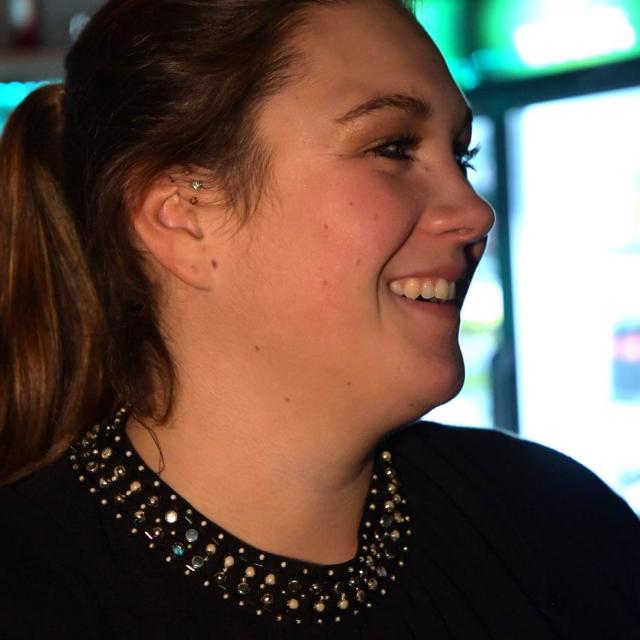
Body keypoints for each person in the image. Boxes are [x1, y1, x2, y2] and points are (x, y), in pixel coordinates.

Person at [0, 0, 638, 638]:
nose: (475, 213)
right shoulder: (33, 595)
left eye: (462, 156)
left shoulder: (554, 524)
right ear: (183, 219)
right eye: (392, 148)